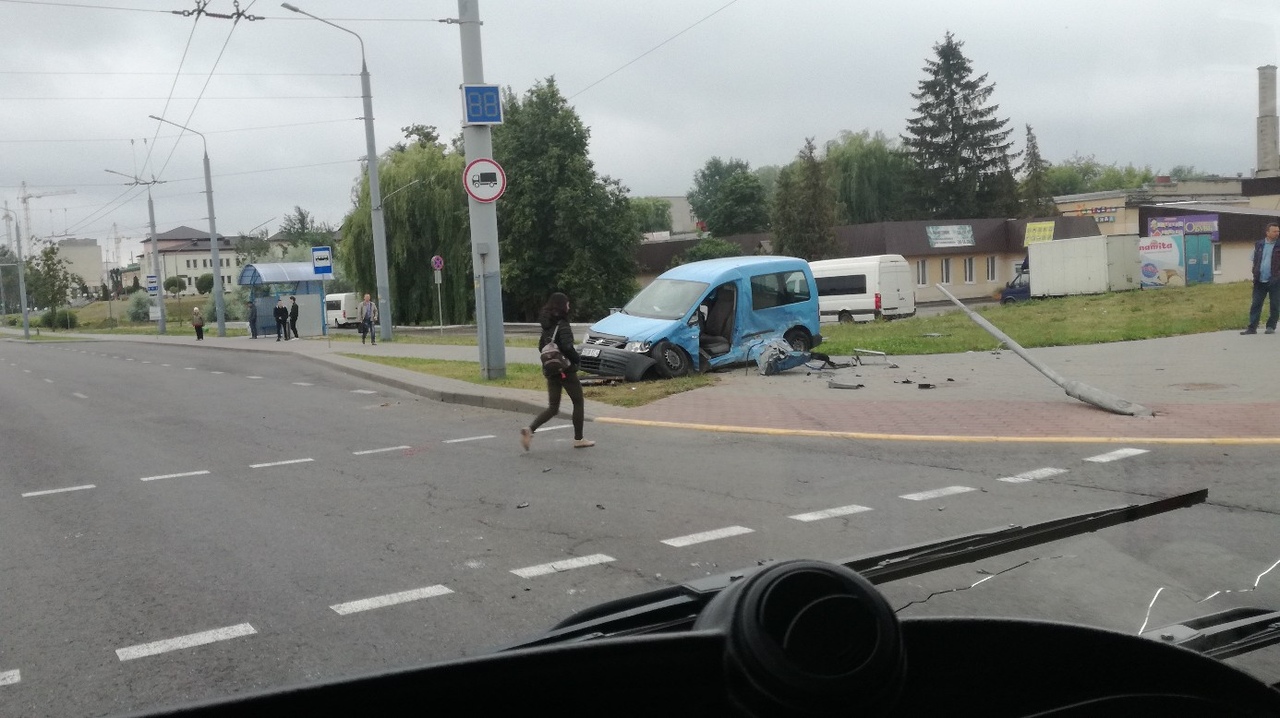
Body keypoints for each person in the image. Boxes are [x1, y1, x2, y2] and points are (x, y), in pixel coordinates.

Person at [521, 292, 594, 451]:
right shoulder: (562, 324)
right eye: (567, 303)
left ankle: (530, 430)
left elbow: (541, 347)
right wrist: (576, 360)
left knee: (553, 407)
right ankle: (579, 439)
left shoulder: (546, 325)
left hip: (550, 369)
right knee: (578, 401)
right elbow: (568, 346)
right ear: (562, 305)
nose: (569, 306)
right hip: (566, 370)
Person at [1243, 221, 1280, 335]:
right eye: (1274, 231)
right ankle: (1252, 327)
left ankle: (1270, 326)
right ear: (1267, 232)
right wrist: (1255, 273)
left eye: (1278, 231)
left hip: (1275, 281)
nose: (1277, 233)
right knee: (1256, 304)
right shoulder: (1259, 244)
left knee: (1274, 304)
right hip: (1260, 281)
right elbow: (1255, 260)